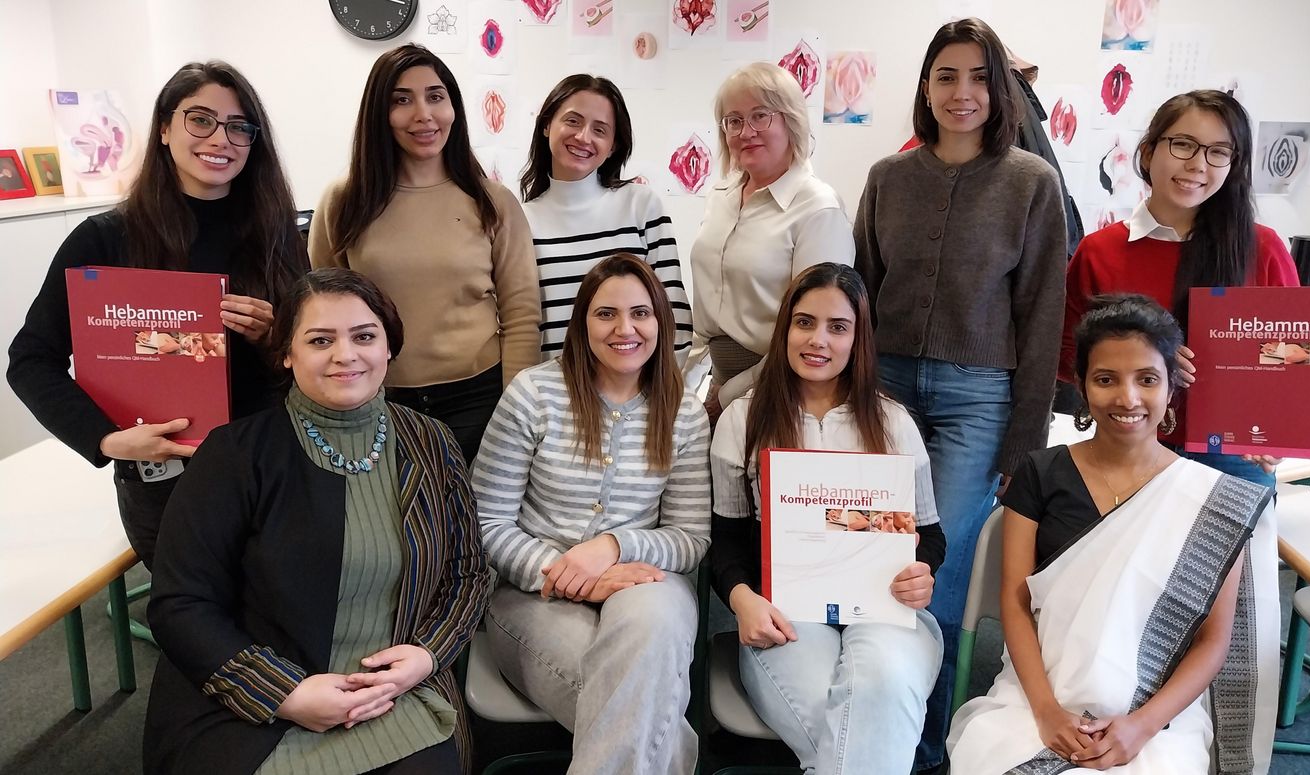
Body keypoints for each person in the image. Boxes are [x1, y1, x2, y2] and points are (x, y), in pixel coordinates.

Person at [144, 268, 488, 775]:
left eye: (364, 337)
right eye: (320, 340)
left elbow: (468, 574)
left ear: (388, 347)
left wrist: (427, 656)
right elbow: (180, 604)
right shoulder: (235, 454)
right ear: (287, 353)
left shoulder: (432, 442)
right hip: (255, 702)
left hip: (395, 695)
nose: (345, 355)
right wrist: (287, 693)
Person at [852, 18, 1068, 765]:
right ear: (925, 86)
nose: (962, 92)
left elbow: (1042, 316)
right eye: (946, 75)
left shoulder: (1031, 183)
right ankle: (867, 708)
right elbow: (861, 296)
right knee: (871, 548)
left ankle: (922, 742)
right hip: (886, 386)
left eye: (980, 77)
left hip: (980, 398)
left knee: (934, 569)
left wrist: (1026, 439)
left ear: (1003, 90)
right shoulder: (887, 178)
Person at [948, 294, 1278, 774]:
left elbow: (1213, 641)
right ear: (1081, 386)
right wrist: (1047, 713)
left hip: (1158, 712)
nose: (1128, 398)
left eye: (1147, 379)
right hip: (1039, 692)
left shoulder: (1210, 498)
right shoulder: (1041, 473)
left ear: (1171, 389)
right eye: (1106, 379)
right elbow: (1015, 604)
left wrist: (1142, 726)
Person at [7, 61, 307, 568]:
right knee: (193, 607)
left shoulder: (278, 235)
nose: (221, 139)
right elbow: (31, 360)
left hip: (270, 463)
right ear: (165, 128)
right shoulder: (105, 239)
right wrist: (104, 438)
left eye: (239, 127)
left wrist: (277, 336)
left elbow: (314, 353)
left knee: (280, 603)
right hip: (166, 481)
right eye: (201, 120)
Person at [471, 254, 710, 775]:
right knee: (646, 707)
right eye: (606, 314)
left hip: (645, 582)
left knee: (650, 635)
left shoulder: (684, 412)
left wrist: (614, 547)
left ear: (661, 322)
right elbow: (485, 523)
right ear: (582, 323)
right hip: (533, 594)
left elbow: (690, 537)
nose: (625, 329)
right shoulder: (534, 394)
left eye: (640, 313)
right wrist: (571, 576)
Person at [710, 263, 946, 774]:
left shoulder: (893, 423)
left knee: (883, 685)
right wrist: (742, 598)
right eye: (804, 322)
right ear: (785, 329)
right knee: (845, 717)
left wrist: (922, 571)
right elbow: (725, 541)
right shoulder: (742, 420)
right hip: (784, 614)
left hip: (882, 608)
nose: (818, 340)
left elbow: (929, 536)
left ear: (858, 339)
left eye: (838, 327)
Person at [309, 43, 540, 462]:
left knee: (469, 506)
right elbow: (323, 311)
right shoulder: (344, 201)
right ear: (379, 113)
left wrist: (515, 409)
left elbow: (521, 314)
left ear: (453, 107)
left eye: (436, 96)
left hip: (478, 399)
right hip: (376, 397)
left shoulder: (493, 201)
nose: (424, 114)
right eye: (402, 100)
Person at [1060, 90, 1300, 490]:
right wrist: (1144, 364)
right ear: (1149, 151)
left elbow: (1299, 357)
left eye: (1218, 152)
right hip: (1128, 443)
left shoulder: (1262, 248)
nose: (1198, 164)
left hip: (1234, 455)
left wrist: (1278, 431)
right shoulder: (1099, 251)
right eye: (1184, 144)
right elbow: (1068, 353)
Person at [690, 61, 854, 418]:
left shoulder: (818, 208)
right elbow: (707, 310)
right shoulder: (720, 195)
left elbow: (818, 333)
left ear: (791, 120)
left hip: (782, 387)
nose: (746, 131)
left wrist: (730, 394)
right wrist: (686, 385)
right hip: (718, 380)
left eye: (760, 116)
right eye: (734, 120)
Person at [519, 73, 692, 364]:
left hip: (636, 386)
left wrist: (664, 384)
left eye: (600, 130)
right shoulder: (520, 221)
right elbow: (522, 326)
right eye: (573, 121)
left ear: (613, 145)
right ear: (547, 125)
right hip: (551, 386)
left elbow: (672, 311)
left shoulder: (640, 206)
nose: (583, 137)